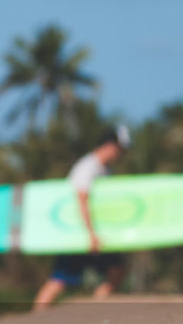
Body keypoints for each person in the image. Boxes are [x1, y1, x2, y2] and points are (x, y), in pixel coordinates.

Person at [33, 125, 131, 312]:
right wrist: (91, 234)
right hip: (79, 232)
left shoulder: (105, 171)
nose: (121, 154)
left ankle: (94, 312)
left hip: (96, 233)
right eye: (120, 149)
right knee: (59, 280)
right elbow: (81, 200)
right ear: (109, 145)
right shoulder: (87, 167)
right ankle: (35, 317)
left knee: (116, 271)